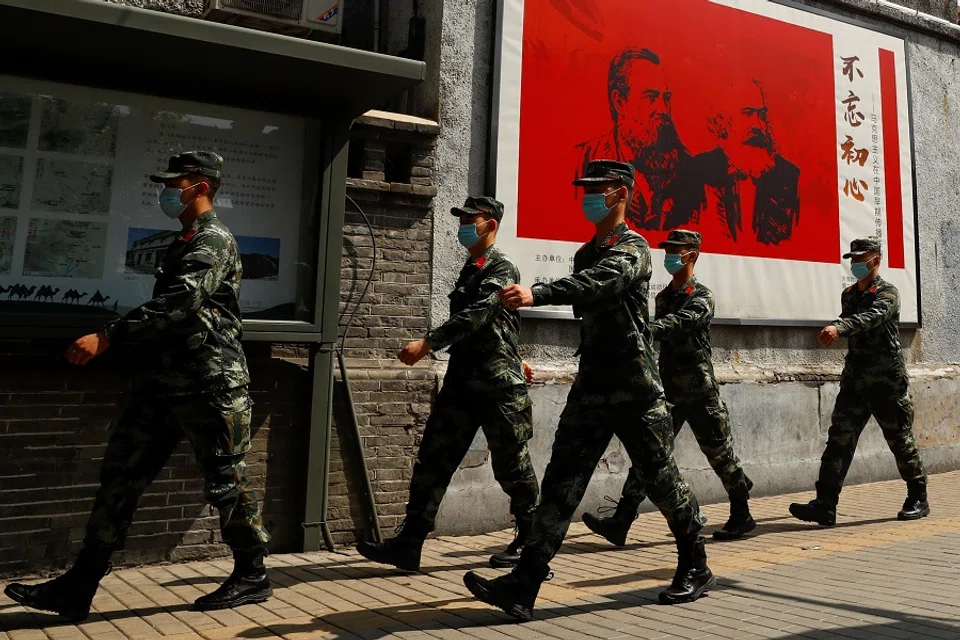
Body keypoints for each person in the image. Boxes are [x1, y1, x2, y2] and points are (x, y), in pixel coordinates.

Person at [4, 151, 272, 621]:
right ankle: (80, 584)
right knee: (121, 475)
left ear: (201, 187)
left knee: (227, 480)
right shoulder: (184, 238)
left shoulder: (212, 239)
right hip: (164, 382)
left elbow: (182, 300)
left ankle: (252, 574)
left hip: (210, 382)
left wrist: (108, 335)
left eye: (176, 184)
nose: (167, 192)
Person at [463, 161, 714, 622]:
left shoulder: (635, 248)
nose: (589, 196)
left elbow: (600, 283)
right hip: (592, 385)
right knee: (561, 483)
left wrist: (538, 292)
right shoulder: (585, 252)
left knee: (660, 480)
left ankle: (695, 563)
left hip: (635, 387)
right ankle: (524, 585)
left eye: (599, 188)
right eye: (587, 188)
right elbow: (588, 300)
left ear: (621, 194)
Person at [356, 196, 540, 572]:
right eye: (462, 220)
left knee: (512, 468)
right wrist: (513, 352)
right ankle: (409, 544)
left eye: (471, 220)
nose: (464, 226)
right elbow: (496, 325)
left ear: (490, 224)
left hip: (497, 388)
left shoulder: (501, 266)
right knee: (433, 462)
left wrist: (428, 343)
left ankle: (533, 543)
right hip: (463, 384)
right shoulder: (472, 267)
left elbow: (477, 314)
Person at [581, 229, 755, 545]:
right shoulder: (663, 297)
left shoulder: (702, 297)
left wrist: (643, 330)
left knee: (720, 454)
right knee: (649, 454)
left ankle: (741, 513)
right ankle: (621, 520)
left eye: (677, 250)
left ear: (692, 255)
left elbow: (679, 324)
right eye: (668, 251)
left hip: (699, 390)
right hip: (668, 390)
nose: (670, 256)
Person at [789, 236, 929, 526]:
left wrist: (839, 328)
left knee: (899, 439)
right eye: (852, 259)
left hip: (886, 382)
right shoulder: (849, 294)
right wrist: (837, 327)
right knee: (839, 440)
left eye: (860, 259)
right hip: (855, 381)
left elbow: (870, 318)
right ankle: (825, 504)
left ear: (875, 260)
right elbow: (848, 319)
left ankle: (918, 497)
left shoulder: (888, 293)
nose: (855, 264)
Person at [574, 48, 700, 232]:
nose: (663, 109)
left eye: (666, 98)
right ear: (619, 102)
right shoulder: (582, 162)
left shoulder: (689, 170)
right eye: (651, 97)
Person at [690, 78, 800, 245]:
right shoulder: (699, 169)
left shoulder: (789, 175)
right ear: (725, 119)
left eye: (761, 115)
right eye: (747, 114)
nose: (757, 125)